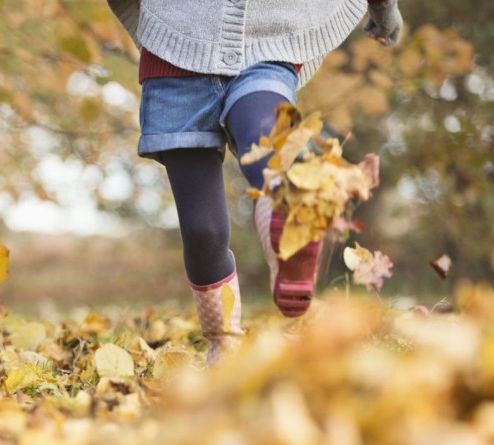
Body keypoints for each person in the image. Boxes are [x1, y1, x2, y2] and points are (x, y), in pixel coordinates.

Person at [107, 0, 403, 363]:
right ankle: (224, 340)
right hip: (176, 52)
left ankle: (286, 212)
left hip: (268, 40)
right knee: (203, 231)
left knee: (263, 136)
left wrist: (384, 9)